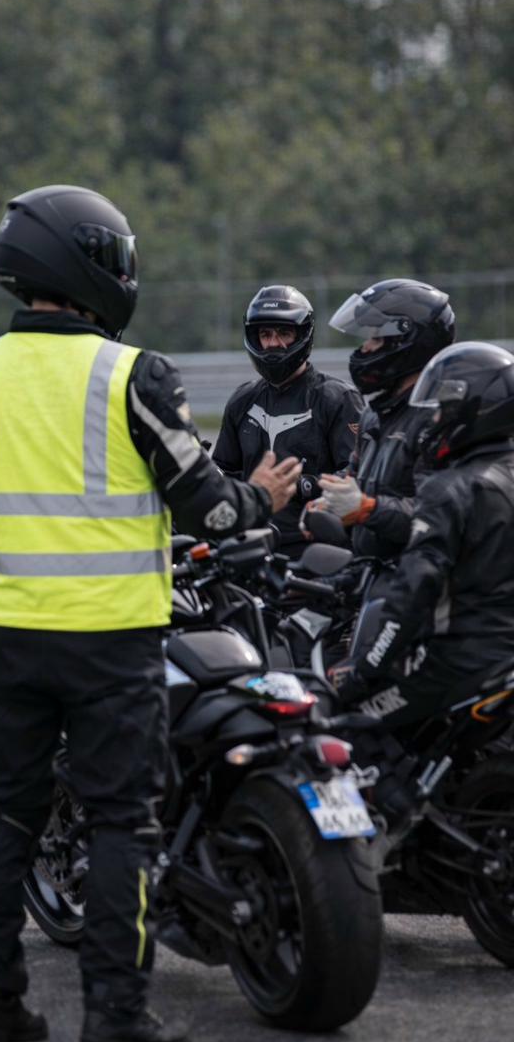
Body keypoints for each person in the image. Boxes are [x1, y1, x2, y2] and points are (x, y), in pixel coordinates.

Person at [0, 185, 301, 1042]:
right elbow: (207, 504)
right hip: (116, 639)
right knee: (122, 821)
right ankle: (117, 1012)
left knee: (0, 818)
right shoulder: (133, 374)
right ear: (91, 264)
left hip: (8, 634)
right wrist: (262, 496)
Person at [330, 342, 514, 735]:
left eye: (443, 409)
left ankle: (403, 800)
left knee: (350, 727)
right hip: (502, 656)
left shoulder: (448, 490)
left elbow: (414, 590)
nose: (433, 421)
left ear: (474, 410)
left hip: (459, 657)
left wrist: (362, 669)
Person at [304, 278, 456, 559]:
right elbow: (355, 478)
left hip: (422, 580)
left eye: (375, 337)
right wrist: (329, 502)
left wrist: (366, 508)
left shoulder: (440, 421)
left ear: (407, 340)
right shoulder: (375, 414)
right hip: (372, 574)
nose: (366, 348)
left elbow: (439, 516)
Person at [213, 285, 363, 557]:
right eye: (265, 335)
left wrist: (309, 485)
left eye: (284, 333)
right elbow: (225, 469)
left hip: (315, 549)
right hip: (251, 546)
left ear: (302, 335)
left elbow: (357, 475)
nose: (273, 344)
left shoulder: (338, 398)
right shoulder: (242, 400)